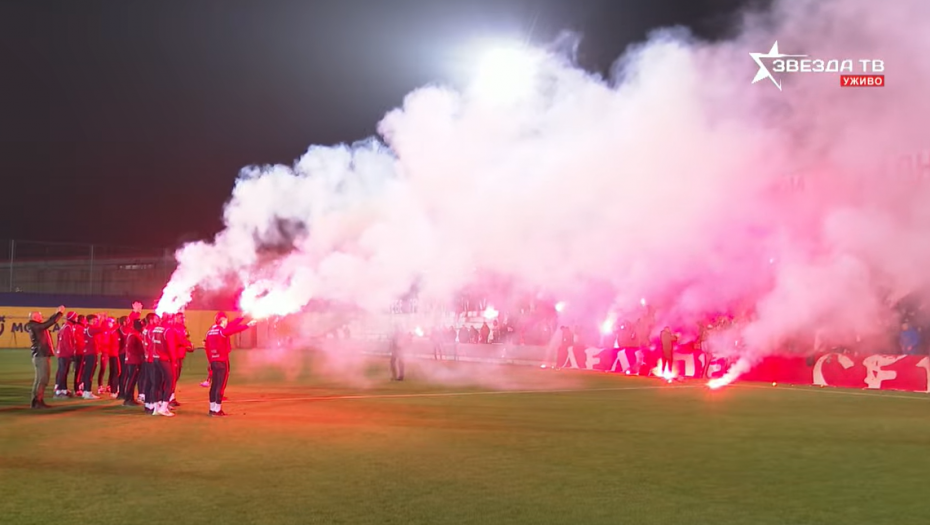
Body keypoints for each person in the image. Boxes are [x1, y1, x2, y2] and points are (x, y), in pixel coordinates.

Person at [205, 312, 255, 417]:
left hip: (213, 361)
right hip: (222, 361)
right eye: (226, 320)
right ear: (222, 320)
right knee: (220, 386)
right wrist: (248, 325)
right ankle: (217, 410)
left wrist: (242, 317)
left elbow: (207, 347)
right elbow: (233, 329)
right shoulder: (221, 332)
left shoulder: (210, 331)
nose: (227, 322)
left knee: (214, 386)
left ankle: (212, 409)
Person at [24, 306, 66, 409]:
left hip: (40, 354)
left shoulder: (34, 325)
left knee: (39, 379)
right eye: (39, 315)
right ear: (34, 317)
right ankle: (38, 401)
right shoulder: (35, 326)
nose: (41, 317)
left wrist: (55, 313)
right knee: (43, 379)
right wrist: (59, 313)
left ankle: (36, 401)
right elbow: (48, 323)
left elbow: (46, 324)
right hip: (41, 355)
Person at [150, 313, 175, 417]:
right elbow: (171, 347)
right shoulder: (168, 330)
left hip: (155, 358)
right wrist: (173, 361)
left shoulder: (155, 329)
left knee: (156, 384)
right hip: (164, 359)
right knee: (170, 382)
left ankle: (156, 408)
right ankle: (164, 408)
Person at [54, 311, 79, 398]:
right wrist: (72, 353)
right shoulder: (68, 327)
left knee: (64, 371)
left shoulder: (66, 326)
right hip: (65, 353)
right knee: (63, 371)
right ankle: (59, 391)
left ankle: (63, 389)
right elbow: (67, 342)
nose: (77, 319)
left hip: (62, 353)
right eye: (75, 317)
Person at [121, 319, 145, 406]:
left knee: (133, 379)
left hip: (134, 360)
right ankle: (128, 399)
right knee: (131, 380)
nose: (142, 327)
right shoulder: (133, 335)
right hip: (133, 361)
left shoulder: (135, 334)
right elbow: (131, 349)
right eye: (141, 326)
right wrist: (141, 354)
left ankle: (130, 398)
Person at [72, 315, 86, 395]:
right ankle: (77, 388)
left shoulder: (75, 327)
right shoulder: (80, 328)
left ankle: (78, 386)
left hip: (76, 351)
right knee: (79, 371)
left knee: (78, 370)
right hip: (80, 351)